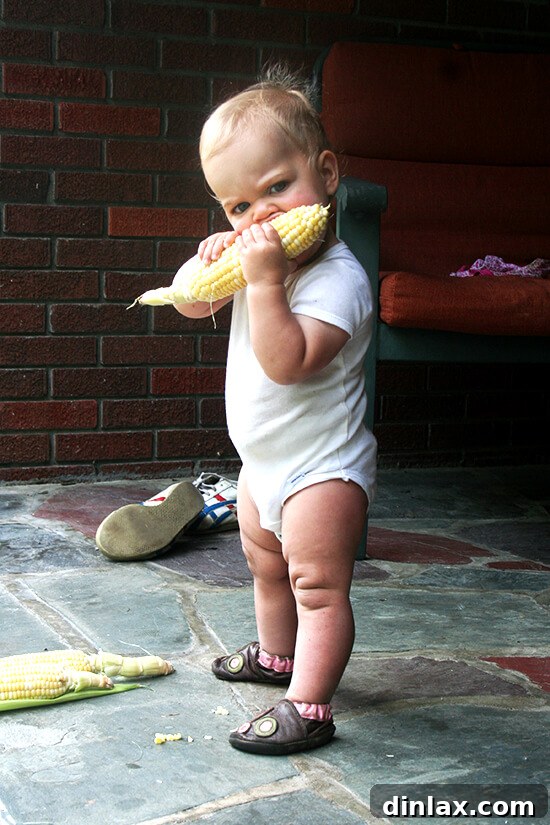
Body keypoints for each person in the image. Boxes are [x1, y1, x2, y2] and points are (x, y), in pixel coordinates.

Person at [175, 68, 377, 755]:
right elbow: (194, 304)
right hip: (262, 462)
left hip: (323, 470)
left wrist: (261, 281)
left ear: (325, 174)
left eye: (276, 188)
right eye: (236, 207)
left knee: (316, 584)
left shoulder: (339, 277)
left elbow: (288, 360)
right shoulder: (265, 262)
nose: (257, 217)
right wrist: (210, 267)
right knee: (265, 564)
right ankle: (276, 654)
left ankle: (310, 705)